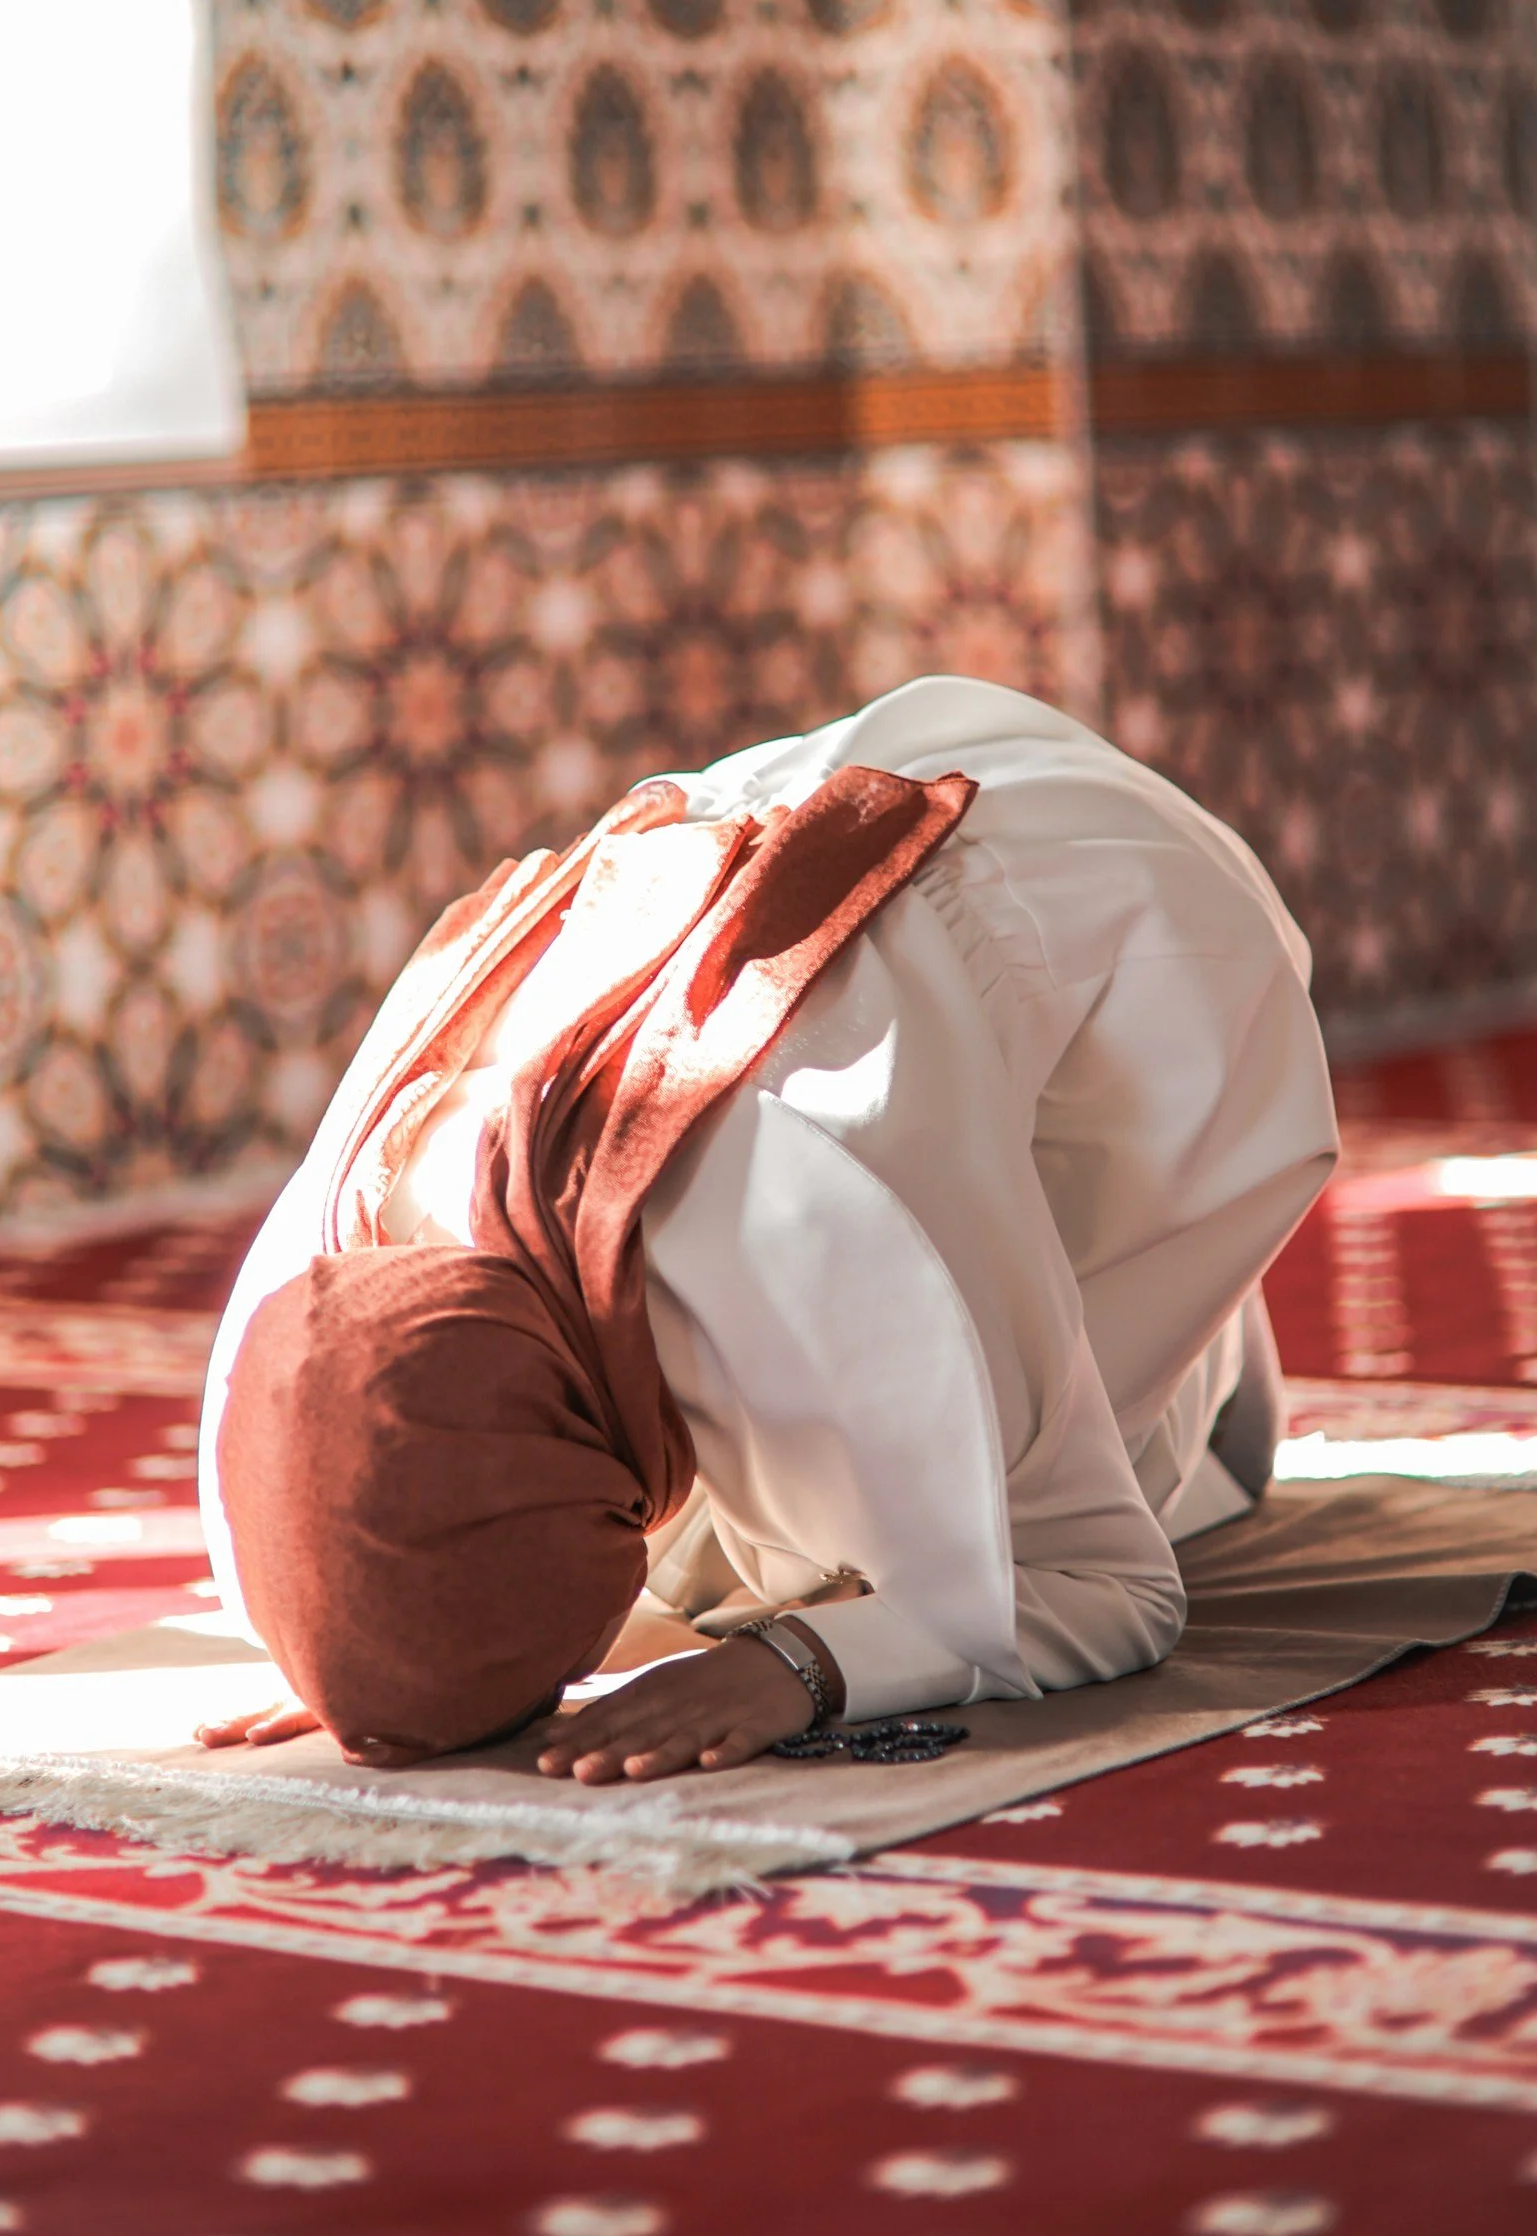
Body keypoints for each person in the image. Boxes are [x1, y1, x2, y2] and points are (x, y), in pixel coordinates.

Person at [195, 676, 1337, 1785]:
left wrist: (800, 1666)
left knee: (1051, 1436)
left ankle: (1216, 1383)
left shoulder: (811, 1228)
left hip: (1114, 930)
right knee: (807, 1509)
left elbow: (1102, 1586)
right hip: (775, 893)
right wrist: (358, 1639)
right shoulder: (343, 1224)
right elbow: (352, 1491)